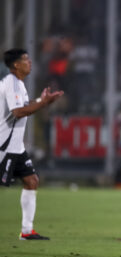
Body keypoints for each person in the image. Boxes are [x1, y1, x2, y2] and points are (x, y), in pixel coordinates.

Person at [0, 48, 64, 240]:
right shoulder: (11, 83)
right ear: (16, 65)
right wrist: (42, 103)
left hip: (16, 147)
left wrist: (41, 100)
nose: (30, 62)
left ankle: (27, 231)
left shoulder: (18, 84)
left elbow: (24, 106)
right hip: (4, 145)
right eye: (26, 60)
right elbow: (18, 112)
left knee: (31, 181)